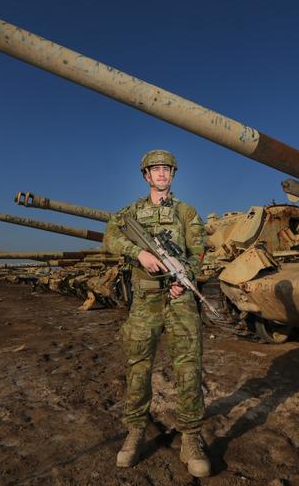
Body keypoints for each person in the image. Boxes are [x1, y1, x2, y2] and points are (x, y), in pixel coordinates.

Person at [103, 149, 211, 478]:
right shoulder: (131, 212)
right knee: (138, 368)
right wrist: (139, 254)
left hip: (179, 301)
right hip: (145, 301)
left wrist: (185, 278)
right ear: (146, 176)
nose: (161, 174)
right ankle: (135, 432)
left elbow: (198, 252)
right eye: (155, 169)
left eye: (166, 169)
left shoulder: (186, 212)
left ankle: (190, 437)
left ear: (173, 174)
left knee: (189, 370)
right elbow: (110, 237)